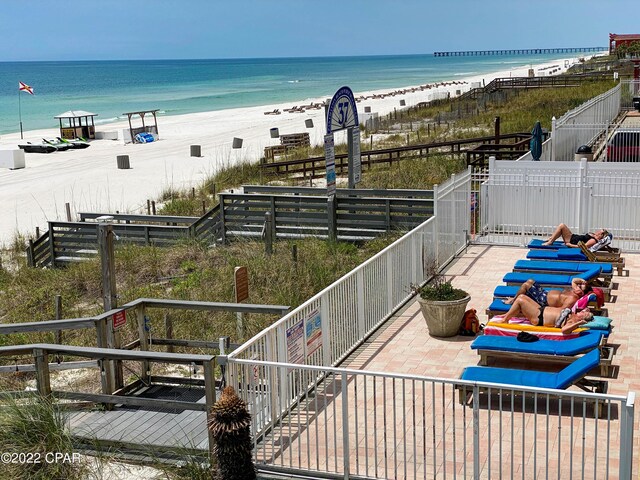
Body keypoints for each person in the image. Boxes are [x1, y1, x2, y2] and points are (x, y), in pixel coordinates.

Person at [494, 295, 593, 334]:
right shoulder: (574, 314)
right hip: (541, 310)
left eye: (584, 313)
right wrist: (587, 312)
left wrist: (579, 323)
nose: (582, 311)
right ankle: (507, 315)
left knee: (520, 301)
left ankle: (505, 319)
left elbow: (564, 330)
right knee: (522, 296)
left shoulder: (572, 321)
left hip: (538, 317)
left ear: (582, 319)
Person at [502, 277, 591, 308]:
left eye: (580, 287)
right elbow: (574, 280)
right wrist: (583, 281)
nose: (577, 286)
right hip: (544, 293)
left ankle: (513, 301)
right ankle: (515, 298)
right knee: (530, 281)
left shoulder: (573, 298)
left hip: (543, 301)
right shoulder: (576, 291)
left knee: (526, 285)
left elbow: (563, 310)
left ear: (582, 293)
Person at [542, 223, 608, 249]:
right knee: (562, 228)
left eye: (600, 231)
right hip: (573, 237)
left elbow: (584, 247)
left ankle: (550, 241)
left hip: (571, 240)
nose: (598, 230)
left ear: (601, 235)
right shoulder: (594, 236)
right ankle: (551, 239)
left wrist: (570, 245)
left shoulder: (594, 240)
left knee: (562, 226)